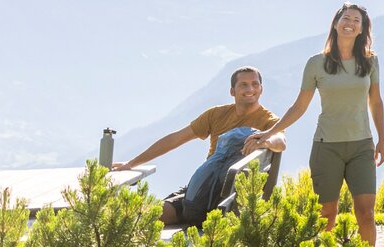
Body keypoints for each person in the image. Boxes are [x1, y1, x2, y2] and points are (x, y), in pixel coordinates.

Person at [251, 4, 384, 247]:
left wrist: (382, 139)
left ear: (362, 30)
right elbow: (299, 106)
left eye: (357, 20)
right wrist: (269, 132)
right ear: (335, 24)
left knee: (366, 214)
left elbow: (375, 101)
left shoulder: (370, 61)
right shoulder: (316, 63)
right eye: (346, 17)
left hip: (362, 146)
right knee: (326, 215)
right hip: (327, 148)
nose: (350, 22)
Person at [113, 66, 285, 224]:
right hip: (203, 190)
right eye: (243, 85)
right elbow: (176, 139)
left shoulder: (268, 120)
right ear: (232, 91)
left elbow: (281, 142)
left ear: (261, 89)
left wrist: (266, 140)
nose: (250, 89)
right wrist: (132, 163)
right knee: (148, 214)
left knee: (148, 216)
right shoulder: (216, 115)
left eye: (255, 84)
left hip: (234, 200)